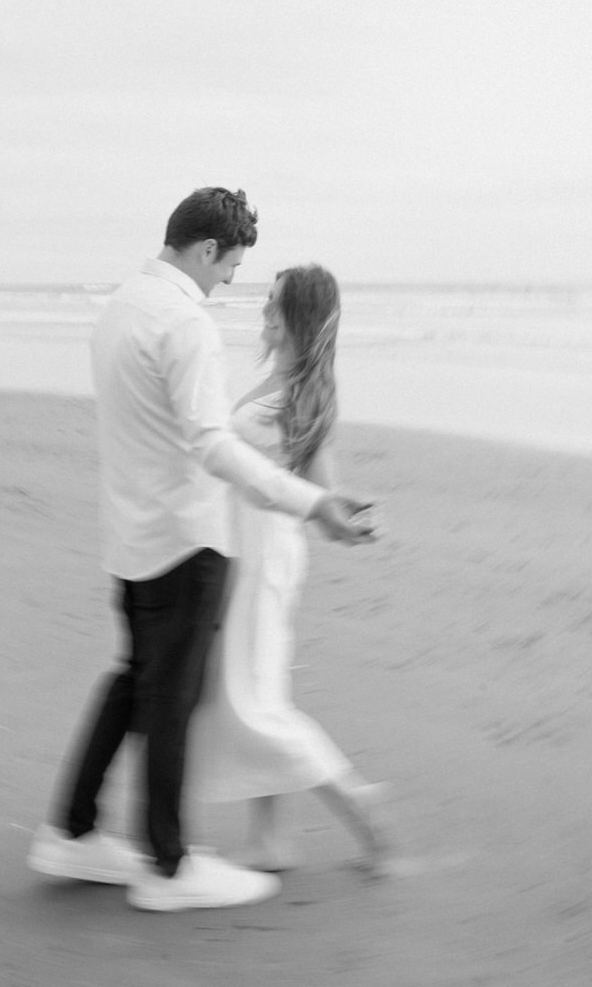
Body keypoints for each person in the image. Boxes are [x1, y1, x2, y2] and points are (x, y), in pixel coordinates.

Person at [27, 188, 374, 912]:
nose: (230, 285)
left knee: (136, 685)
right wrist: (312, 503)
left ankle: (73, 830)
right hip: (185, 542)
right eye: (231, 267)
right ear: (207, 248)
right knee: (169, 699)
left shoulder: (121, 306)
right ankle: (169, 866)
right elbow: (211, 444)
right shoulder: (184, 323)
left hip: (129, 537)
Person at [187, 265, 392, 874]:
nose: (264, 313)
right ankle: (271, 839)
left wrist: (345, 515)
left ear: (300, 318)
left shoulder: (302, 392)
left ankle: (359, 802)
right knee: (253, 691)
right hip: (241, 547)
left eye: (275, 306)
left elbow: (320, 489)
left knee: (252, 701)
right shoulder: (274, 381)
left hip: (264, 557)